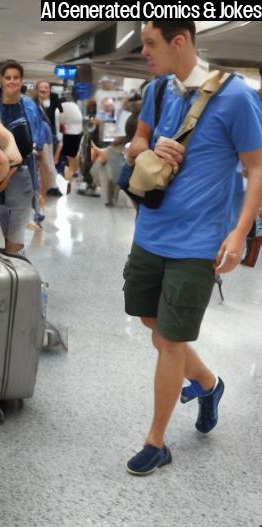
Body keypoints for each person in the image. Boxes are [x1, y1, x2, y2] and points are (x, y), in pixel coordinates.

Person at [121, 20, 262, 475]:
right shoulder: (159, 90)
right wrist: (148, 146)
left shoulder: (236, 96)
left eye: (149, 43)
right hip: (150, 231)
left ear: (179, 41)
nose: (143, 51)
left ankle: (156, 441)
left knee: (171, 342)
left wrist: (239, 234)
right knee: (153, 324)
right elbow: (135, 144)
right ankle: (207, 382)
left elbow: (257, 168)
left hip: (197, 243)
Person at [0, 60, 51, 255]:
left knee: (15, 240)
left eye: (16, 78)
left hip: (22, 179)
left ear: (22, 81)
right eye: (8, 77)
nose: (12, 81)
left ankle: (21, 280)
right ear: (1, 80)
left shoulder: (29, 107)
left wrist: (42, 190)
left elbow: (38, 146)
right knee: (6, 237)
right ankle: (14, 280)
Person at [36, 80, 64, 197]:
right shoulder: (33, 103)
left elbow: (60, 118)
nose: (44, 90)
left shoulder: (55, 101)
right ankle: (43, 186)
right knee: (42, 164)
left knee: (50, 163)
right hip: (38, 135)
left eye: (46, 87)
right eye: (41, 88)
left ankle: (53, 186)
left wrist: (60, 138)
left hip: (51, 135)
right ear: (37, 90)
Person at [59, 95, 84, 194]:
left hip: (68, 135)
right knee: (72, 158)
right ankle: (70, 178)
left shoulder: (62, 106)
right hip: (77, 134)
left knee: (66, 160)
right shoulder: (75, 106)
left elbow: (60, 123)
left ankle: (66, 181)